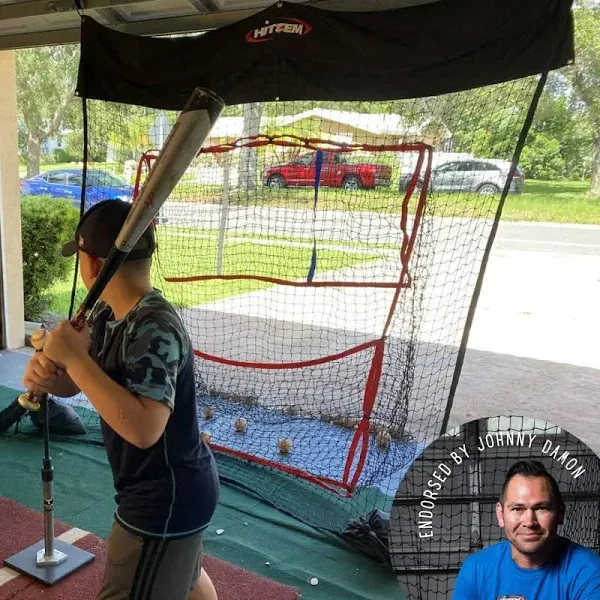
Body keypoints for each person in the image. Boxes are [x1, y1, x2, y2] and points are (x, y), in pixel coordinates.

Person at [22, 199, 219, 600]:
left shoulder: (154, 326)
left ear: (92, 265)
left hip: (164, 498)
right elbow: (83, 385)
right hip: (170, 490)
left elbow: (145, 428)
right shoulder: (105, 314)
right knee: (186, 580)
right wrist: (50, 375)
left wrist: (74, 358)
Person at [452, 459, 600, 600]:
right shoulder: (476, 569)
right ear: (500, 514)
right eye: (517, 509)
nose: (529, 522)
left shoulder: (590, 572)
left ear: (560, 513)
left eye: (541, 508)